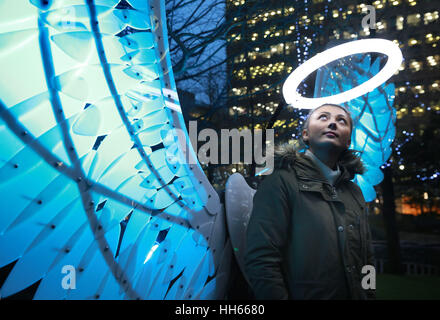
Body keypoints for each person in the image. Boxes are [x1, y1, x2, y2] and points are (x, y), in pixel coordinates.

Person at [244, 103, 376, 300]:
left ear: (348, 140)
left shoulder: (354, 192)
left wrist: (370, 295)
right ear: (305, 134)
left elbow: (367, 258)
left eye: (341, 121)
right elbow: (261, 259)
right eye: (323, 117)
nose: (332, 123)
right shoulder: (280, 181)